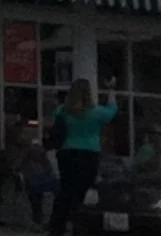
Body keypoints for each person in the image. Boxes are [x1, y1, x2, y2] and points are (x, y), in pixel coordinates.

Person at [49, 78, 118, 236]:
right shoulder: (96, 112)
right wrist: (111, 90)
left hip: (67, 152)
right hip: (88, 153)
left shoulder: (62, 111)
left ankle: (56, 227)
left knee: (66, 190)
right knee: (82, 191)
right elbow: (112, 110)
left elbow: (55, 123)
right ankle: (77, 225)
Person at [20, 142, 59, 229]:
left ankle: (57, 218)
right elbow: (28, 178)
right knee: (35, 195)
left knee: (59, 186)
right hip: (33, 186)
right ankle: (38, 220)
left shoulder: (45, 163)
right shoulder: (27, 164)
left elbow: (50, 174)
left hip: (43, 183)